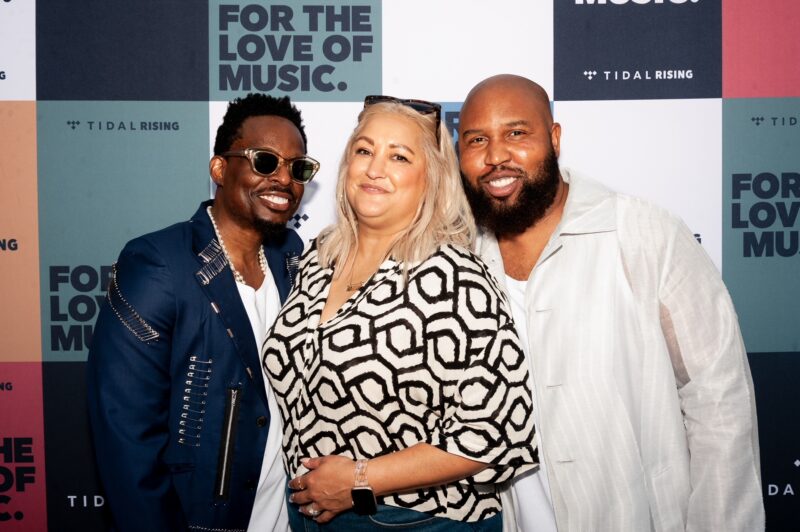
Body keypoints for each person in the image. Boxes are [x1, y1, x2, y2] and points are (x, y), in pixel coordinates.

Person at [457, 74, 765, 531]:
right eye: (476, 140)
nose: (496, 155)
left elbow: (719, 402)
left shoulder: (643, 232)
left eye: (517, 133)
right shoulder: (459, 260)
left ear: (555, 138)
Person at [261, 95, 537, 531]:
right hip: (310, 516)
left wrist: (358, 480)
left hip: (418, 521)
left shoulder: (455, 275)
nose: (375, 169)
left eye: (399, 157)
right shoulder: (318, 257)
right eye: (364, 150)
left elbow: (497, 433)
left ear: (432, 178)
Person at [87, 93, 319, 532]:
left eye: (298, 168)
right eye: (265, 161)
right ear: (219, 169)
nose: (283, 179)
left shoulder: (294, 260)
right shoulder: (158, 264)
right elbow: (127, 439)